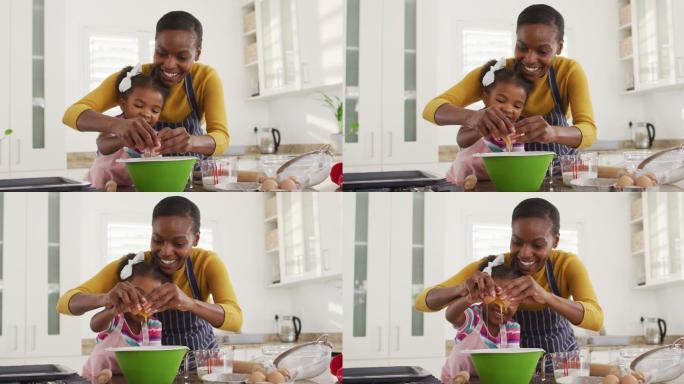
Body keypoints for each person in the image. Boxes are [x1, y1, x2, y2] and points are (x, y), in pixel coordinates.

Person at [416, 198, 603, 373]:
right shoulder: (493, 266)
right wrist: (461, 289)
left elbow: (596, 319)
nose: (524, 253)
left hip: (563, 366)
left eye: (537, 245)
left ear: (555, 241)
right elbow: (422, 301)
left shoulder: (566, 264)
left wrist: (546, 296)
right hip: (517, 370)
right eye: (517, 241)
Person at [57, 196, 242, 367]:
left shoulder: (206, 263)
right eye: (158, 240)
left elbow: (236, 320)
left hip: (202, 368)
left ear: (196, 239)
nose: (166, 251)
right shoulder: (135, 266)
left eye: (178, 243)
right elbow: (65, 302)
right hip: (153, 371)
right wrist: (105, 299)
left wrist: (190, 303)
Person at [424, 4, 596, 168]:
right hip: (507, 175)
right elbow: (431, 109)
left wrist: (553, 133)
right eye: (522, 47)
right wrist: (473, 118)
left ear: (559, 47)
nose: (529, 58)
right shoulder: (497, 73)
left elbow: (589, 131)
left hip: (558, 174)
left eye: (542, 51)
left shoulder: (569, 72)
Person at [63, 11, 229, 159]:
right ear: (155, 44)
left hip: (194, 177)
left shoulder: (206, 78)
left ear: (197, 53)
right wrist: (118, 125)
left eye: (182, 57)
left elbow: (222, 137)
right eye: (162, 53)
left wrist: (192, 142)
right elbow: (72, 114)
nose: (170, 64)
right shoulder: (135, 78)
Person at [445, 58, 532, 185]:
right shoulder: (476, 119)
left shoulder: (515, 132)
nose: (509, 109)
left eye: (517, 106)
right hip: (460, 181)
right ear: (486, 99)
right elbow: (461, 140)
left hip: (490, 184)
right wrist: (482, 128)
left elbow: (517, 161)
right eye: (501, 100)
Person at [82, 253, 167, 382]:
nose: (144, 302)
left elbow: (154, 357)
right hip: (95, 379)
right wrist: (113, 311)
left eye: (152, 298)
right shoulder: (116, 315)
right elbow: (95, 325)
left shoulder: (154, 326)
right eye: (138, 293)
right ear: (124, 290)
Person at [85, 65, 169, 189]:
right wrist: (124, 139)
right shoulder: (114, 124)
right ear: (124, 104)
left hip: (130, 187)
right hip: (102, 183)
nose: (146, 113)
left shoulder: (152, 134)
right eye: (139, 105)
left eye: (155, 111)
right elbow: (102, 145)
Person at [441, 255, 522, 383]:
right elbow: (451, 316)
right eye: (495, 294)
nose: (503, 304)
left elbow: (511, 363)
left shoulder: (512, 329)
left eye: (511, 298)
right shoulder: (474, 318)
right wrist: (468, 299)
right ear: (484, 293)